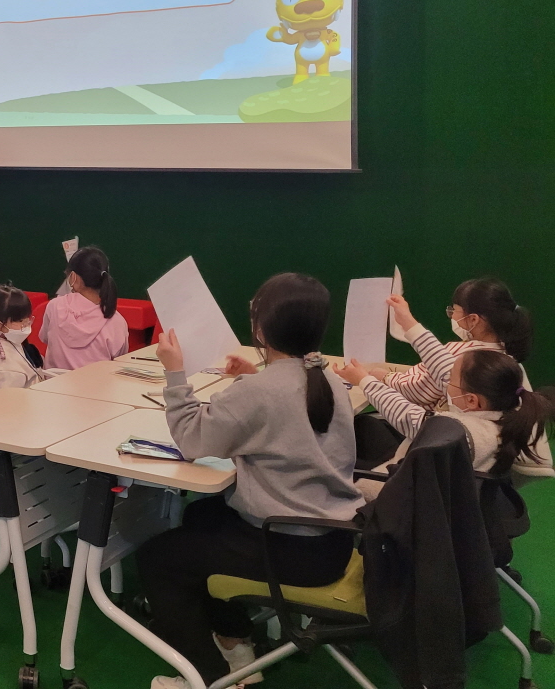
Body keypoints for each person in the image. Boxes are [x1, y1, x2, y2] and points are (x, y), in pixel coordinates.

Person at [137, 273, 363, 689]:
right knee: (201, 515)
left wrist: (175, 373)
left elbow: (192, 439)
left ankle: (206, 677)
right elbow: (281, 408)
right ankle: (235, 643)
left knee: (158, 558)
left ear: (260, 329)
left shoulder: (260, 391)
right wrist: (255, 375)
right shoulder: (327, 377)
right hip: (331, 538)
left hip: (288, 546)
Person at [335, 348, 553, 488]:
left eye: (451, 381)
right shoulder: (506, 416)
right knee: (366, 425)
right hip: (417, 473)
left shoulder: (455, 432)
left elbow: (408, 417)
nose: (446, 385)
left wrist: (364, 380)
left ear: (472, 400)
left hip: (395, 492)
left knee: (335, 464)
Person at [379, 279, 533, 408]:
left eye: (453, 310)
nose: (451, 316)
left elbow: (420, 391)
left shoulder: (466, 358)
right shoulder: (506, 355)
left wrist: (386, 377)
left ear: (473, 319)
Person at [43, 245, 128, 370]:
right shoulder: (116, 321)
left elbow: (46, 339)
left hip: (52, 382)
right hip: (97, 382)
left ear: (73, 277)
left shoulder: (54, 306)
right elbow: (119, 361)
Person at [0, 283, 50, 391]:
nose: (26, 325)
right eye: (20, 321)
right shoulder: (4, 367)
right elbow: (4, 400)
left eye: (28, 319)